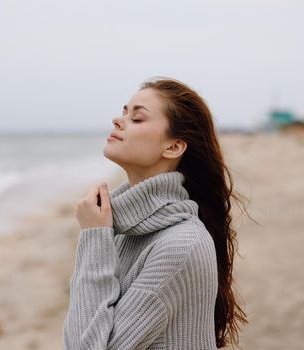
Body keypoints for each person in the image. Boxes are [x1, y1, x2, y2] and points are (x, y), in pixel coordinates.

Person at [63, 77, 248, 349]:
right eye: (124, 111)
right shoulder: (124, 228)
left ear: (173, 147)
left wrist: (94, 237)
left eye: (137, 118)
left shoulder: (182, 244)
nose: (118, 120)